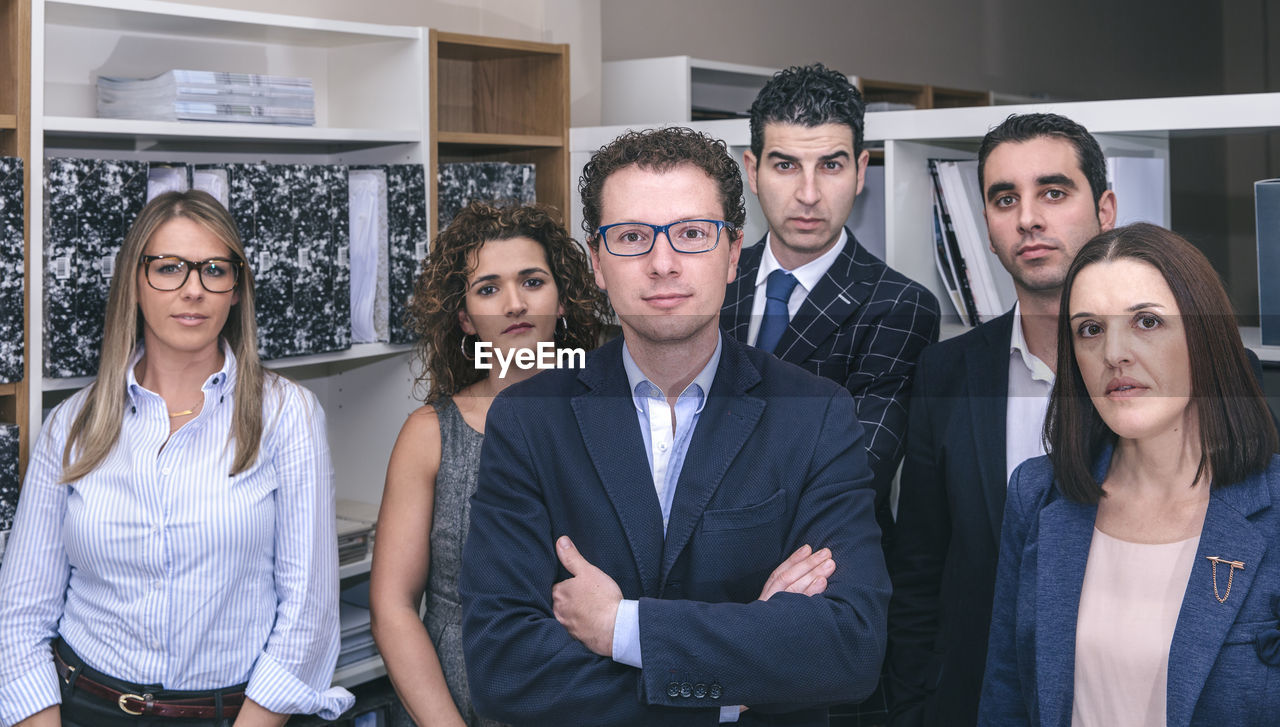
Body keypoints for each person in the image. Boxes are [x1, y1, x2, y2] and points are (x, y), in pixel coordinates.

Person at [459, 126, 889, 726]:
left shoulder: (814, 414)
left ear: (734, 252)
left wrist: (623, 628)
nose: (663, 264)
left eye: (692, 234)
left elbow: (847, 647)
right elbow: (503, 668)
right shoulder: (531, 421)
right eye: (632, 237)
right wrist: (728, 691)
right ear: (597, 264)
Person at [0, 190, 353, 727]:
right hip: (82, 707)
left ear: (235, 289)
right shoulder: (71, 424)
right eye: (168, 268)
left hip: (234, 715)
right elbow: (20, 615)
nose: (193, 289)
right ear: (134, 284)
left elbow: (309, 611)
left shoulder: (289, 415)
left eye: (214, 269)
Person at [979, 222, 1280, 726]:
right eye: (1090, 329)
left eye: (1146, 321)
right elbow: (1006, 697)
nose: (1114, 353)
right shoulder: (1037, 494)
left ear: (1205, 337)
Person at [886, 113, 1117, 727]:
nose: (1029, 218)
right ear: (987, 227)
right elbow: (920, 565)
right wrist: (914, 706)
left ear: (1106, 209)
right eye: (1004, 198)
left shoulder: (1180, 372)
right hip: (974, 699)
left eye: (1054, 192)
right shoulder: (945, 372)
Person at [370, 202, 608, 727]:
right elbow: (393, 608)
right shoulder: (430, 434)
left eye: (532, 281)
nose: (515, 304)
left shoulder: (619, 419)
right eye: (488, 289)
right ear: (464, 318)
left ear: (563, 300)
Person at [721, 63, 940, 536]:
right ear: (752, 171)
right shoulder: (709, 284)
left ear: (861, 172)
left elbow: (853, 477)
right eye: (785, 165)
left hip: (826, 580)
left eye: (831, 165)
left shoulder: (900, 306)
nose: (808, 194)